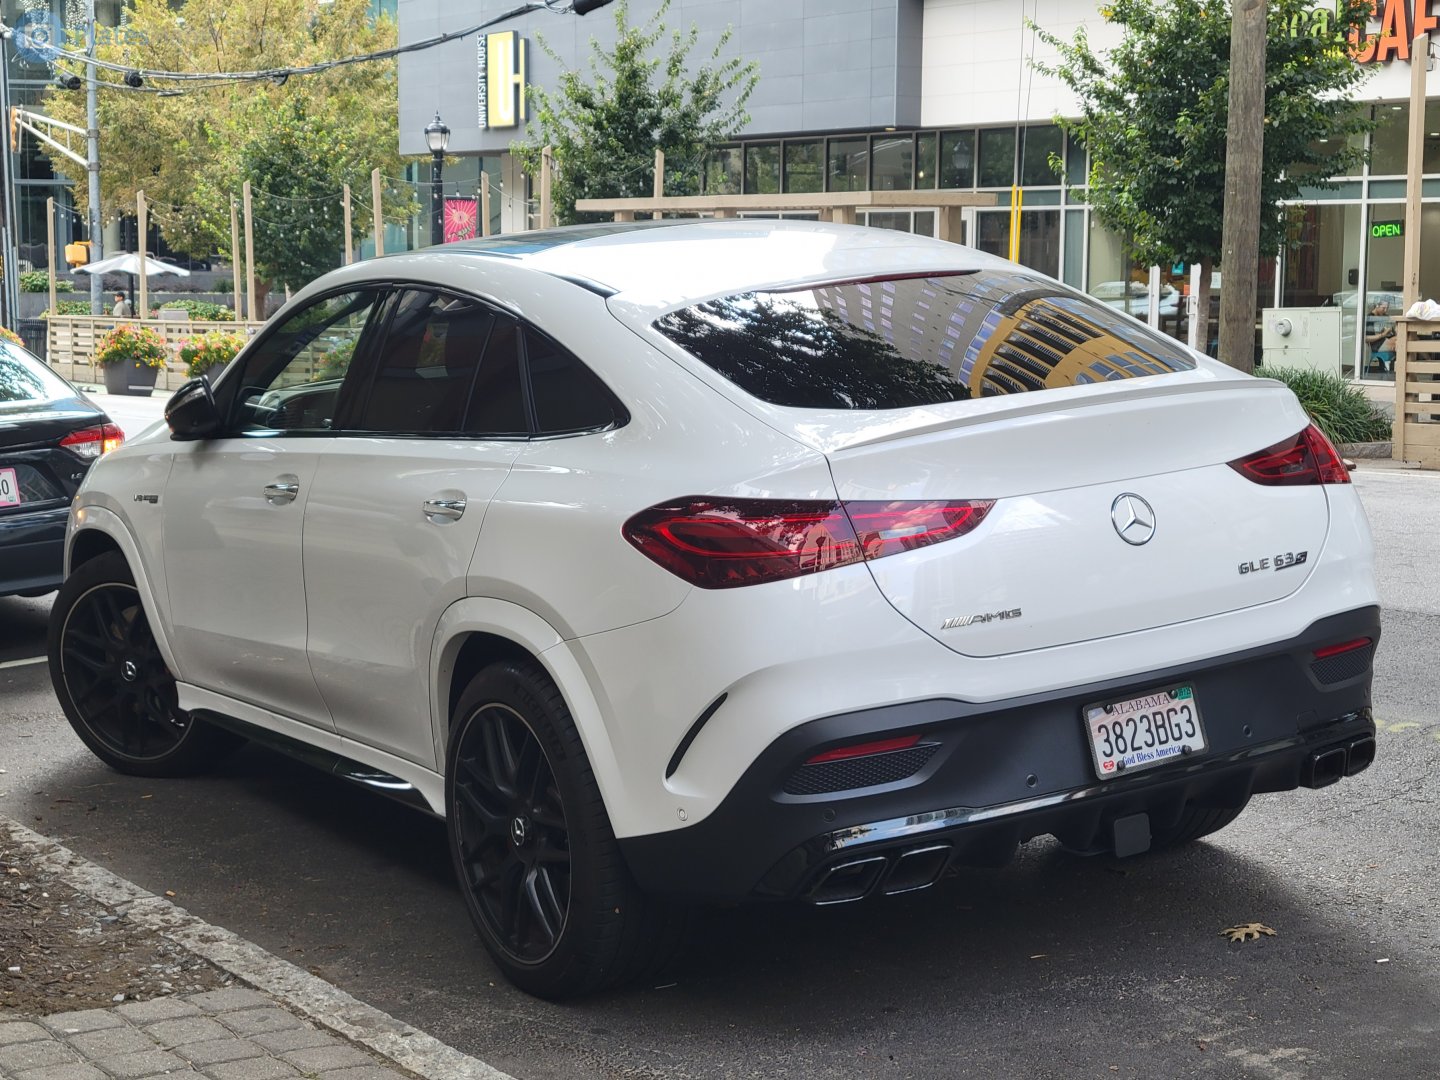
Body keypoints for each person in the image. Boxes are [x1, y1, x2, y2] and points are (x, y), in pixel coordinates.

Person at [1365, 300, 1396, 372]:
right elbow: (1366, 338)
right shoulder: (1370, 318)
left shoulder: (1385, 317)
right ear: (1377, 306)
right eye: (1383, 308)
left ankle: (1427, 360)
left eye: (1387, 308)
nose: (1385, 310)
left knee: (1405, 340)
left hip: (1385, 340)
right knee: (1401, 342)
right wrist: (1382, 334)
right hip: (1377, 345)